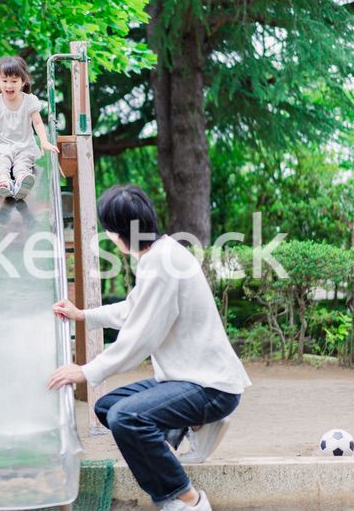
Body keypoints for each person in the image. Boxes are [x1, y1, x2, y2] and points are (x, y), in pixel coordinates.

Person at [48, 185, 251, 511]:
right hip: (186, 379)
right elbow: (134, 309)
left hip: (210, 386)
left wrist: (86, 371)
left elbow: (139, 338)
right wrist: (83, 315)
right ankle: (189, 433)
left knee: (125, 418)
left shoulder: (161, 264)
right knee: (108, 407)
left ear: (117, 234)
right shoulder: (160, 253)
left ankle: (188, 500)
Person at [0, 56, 59, 200]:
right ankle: (4, 182)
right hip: (1, 144)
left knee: (23, 163)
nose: (9, 86)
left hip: (24, 145)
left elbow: (38, 123)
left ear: (23, 82)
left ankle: (21, 182)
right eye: (4, 81)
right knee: (1, 161)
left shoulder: (29, 101)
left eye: (14, 81)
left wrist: (44, 141)